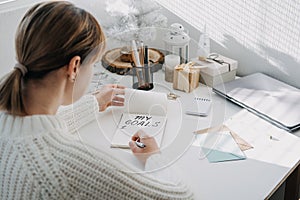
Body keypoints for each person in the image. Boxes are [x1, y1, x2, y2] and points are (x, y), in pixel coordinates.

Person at [0, 1, 193, 199]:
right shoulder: (64, 168)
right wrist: (153, 156)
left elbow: (35, 132)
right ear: (74, 67)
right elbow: (183, 196)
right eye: (93, 64)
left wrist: (95, 102)